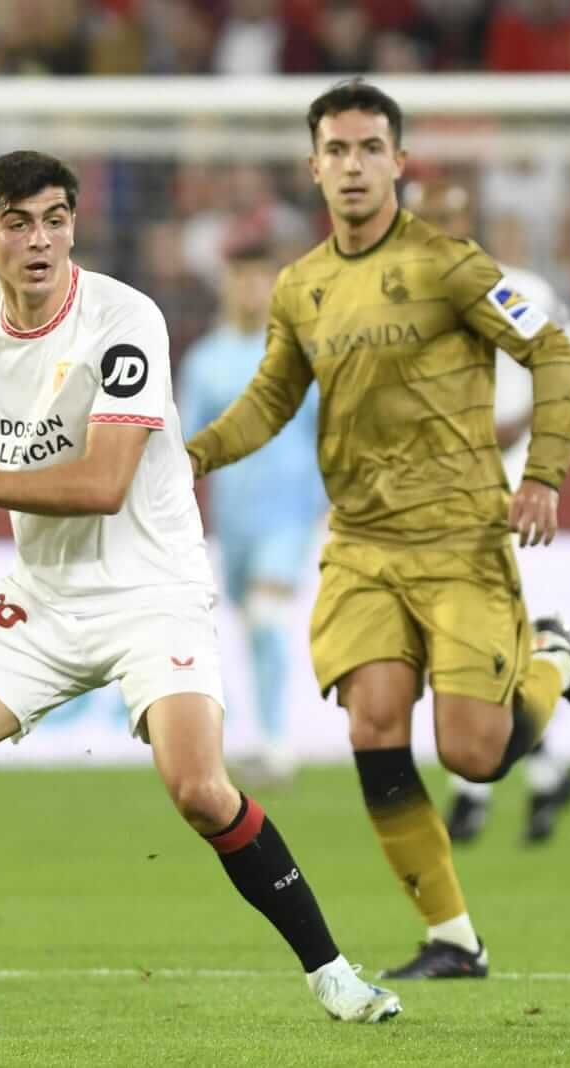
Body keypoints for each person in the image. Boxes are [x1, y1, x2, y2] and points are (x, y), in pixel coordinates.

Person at [0, 149, 403, 1025]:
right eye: (20, 223)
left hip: (153, 590)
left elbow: (101, 483)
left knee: (199, 789)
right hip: (41, 596)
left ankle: (331, 972)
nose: (41, 240)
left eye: (57, 219)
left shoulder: (122, 319)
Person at [184, 80, 570, 980]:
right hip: (362, 545)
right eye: (336, 150)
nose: (352, 165)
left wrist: (541, 474)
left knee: (474, 752)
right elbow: (269, 401)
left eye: (369, 148)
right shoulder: (300, 288)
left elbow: (552, 351)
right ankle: (453, 938)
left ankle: (556, 660)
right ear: (313, 166)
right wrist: (192, 456)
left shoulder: (452, 266)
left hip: (460, 537)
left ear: (398, 162)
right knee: (373, 725)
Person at [405, 179, 570, 846]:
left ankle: (472, 792)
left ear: (467, 219)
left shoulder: (508, 289)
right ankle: (543, 767)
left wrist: (524, 424)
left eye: (448, 216)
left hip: (508, 483)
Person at [180, 240, 327, 787]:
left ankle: (277, 745)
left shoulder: (300, 354)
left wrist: (334, 503)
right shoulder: (205, 361)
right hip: (233, 521)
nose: (252, 290)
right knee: (248, 624)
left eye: (262, 279)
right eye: (242, 278)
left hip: (290, 514)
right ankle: (263, 735)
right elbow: (185, 445)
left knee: (267, 615)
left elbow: (331, 430)